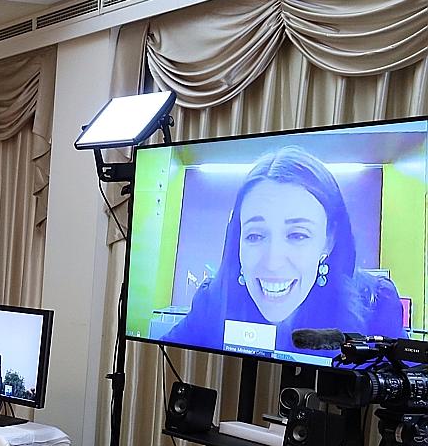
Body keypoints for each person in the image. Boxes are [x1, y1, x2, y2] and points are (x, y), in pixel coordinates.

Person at [161, 147, 403, 355]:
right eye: (255, 236)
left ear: (329, 240)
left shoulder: (376, 304)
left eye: (297, 235)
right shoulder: (213, 300)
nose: (273, 262)